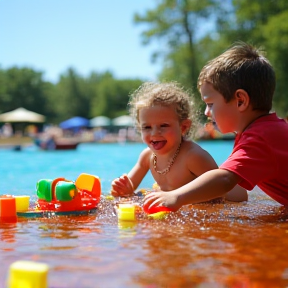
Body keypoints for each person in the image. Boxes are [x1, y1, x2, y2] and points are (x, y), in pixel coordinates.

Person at [143, 42, 288, 212]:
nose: (206, 112)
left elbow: (225, 179)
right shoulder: (266, 131)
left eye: (210, 104)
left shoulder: (260, 139)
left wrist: (177, 196)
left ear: (240, 101)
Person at [111, 81, 247, 202]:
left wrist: (176, 196)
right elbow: (128, 188)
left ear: (183, 127)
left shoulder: (192, 156)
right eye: (147, 127)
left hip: (233, 196)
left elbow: (226, 193)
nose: (154, 133)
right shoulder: (147, 157)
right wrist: (125, 190)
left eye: (163, 126)